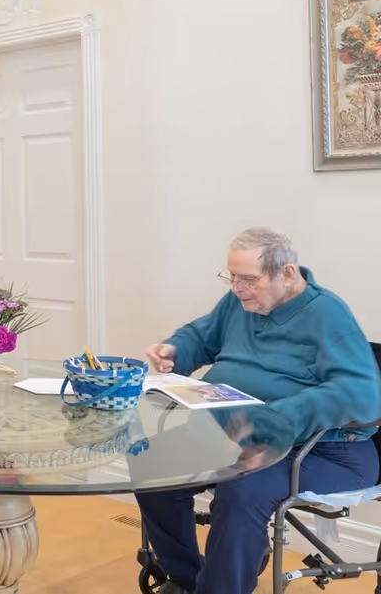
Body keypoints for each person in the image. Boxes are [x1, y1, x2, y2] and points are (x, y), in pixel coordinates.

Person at [140, 228, 381, 594]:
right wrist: (176, 349)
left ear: (286, 273)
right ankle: (189, 579)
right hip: (240, 433)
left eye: (248, 279)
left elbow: (362, 393)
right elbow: (203, 335)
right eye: (232, 276)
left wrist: (284, 415)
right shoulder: (240, 301)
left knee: (241, 489)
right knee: (151, 462)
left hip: (323, 450)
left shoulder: (327, 314)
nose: (237, 288)